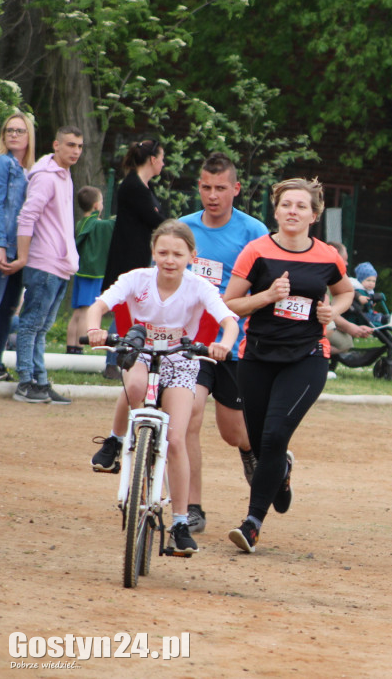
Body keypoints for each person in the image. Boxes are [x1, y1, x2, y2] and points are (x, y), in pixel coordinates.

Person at [86, 220, 238, 555]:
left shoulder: (199, 287)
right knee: (136, 384)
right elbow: (99, 305)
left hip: (181, 360)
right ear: (153, 252)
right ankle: (115, 440)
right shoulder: (136, 279)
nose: (169, 260)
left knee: (175, 439)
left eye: (177, 254)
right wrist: (95, 328)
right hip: (141, 352)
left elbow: (228, 322)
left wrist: (223, 345)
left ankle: (181, 522)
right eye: (163, 252)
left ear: (192, 256)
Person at [223, 177, 354, 553]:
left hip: (307, 355)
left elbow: (345, 291)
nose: (292, 211)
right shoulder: (256, 251)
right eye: (286, 205)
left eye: (301, 206)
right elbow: (230, 303)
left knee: (276, 436)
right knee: (265, 444)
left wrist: (334, 310)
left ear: (313, 215)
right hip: (257, 356)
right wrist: (266, 296)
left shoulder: (328, 256)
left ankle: (251, 524)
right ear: (276, 210)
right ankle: (279, 473)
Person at [178, 152, 269, 534]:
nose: (212, 195)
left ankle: (252, 453)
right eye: (205, 187)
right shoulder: (181, 229)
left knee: (235, 433)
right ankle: (192, 506)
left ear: (236, 189)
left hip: (234, 344)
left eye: (220, 188)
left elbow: (266, 291)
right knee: (188, 419)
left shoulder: (254, 232)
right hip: (190, 345)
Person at [2, 125, 83, 404]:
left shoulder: (64, 175)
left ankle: (40, 380)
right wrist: (23, 258)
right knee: (31, 325)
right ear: (56, 145)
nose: (75, 151)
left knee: (41, 328)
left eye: (79, 146)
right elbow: (27, 216)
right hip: (43, 263)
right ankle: (26, 383)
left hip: (60, 265)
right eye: (70, 145)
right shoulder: (46, 177)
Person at [101, 138, 166, 380]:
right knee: (126, 310)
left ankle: (125, 358)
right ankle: (113, 361)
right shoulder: (133, 187)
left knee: (134, 309)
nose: (163, 163)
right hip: (129, 258)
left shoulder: (143, 186)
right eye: (161, 158)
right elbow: (155, 219)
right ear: (152, 159)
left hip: (140, 255)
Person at [0, 111, 35, 382]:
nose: (13, 134)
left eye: (19, 130)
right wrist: (0, 244)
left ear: (29, 136)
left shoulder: (28, 171)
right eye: (9, 130)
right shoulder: (3, 164)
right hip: (5, 248)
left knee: (8, 308)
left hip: (20, 253)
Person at [66, 186, 114, 354]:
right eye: (101, 201)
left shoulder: (81, 222)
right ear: (96, 206)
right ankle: (79, 348)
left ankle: (70, 346)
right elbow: (113, 225)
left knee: (77, 312)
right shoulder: (97, 225)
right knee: (87, 310)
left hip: (80, 272)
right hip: (92, 274)